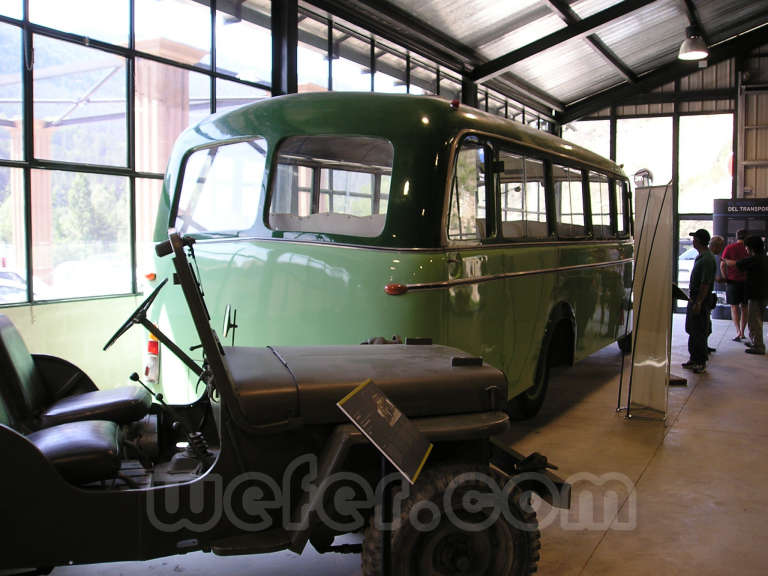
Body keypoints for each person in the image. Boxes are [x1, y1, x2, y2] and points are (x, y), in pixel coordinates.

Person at [724, 235, 768, 355]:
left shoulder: (755, 259)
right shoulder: (763, 258)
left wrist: (725, 261)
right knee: (754, 319)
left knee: (755, 321)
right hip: (762, 294)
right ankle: (755, 342)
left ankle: (758, 346)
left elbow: (736, 264)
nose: (746, 250)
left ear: (752, 248)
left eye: (747, 248)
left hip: (756, 295)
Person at [683, 229, 717, 373]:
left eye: (694, 238)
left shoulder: (707, 259)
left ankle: (700, 361)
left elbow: (705, 284)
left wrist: (698, 302)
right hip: (695, 298)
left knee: (699, 331)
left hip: (700, 299)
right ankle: (693, 358)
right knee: (692, 329)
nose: (692, 241)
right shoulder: (702, 256)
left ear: (699, 241)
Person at [720, 229, 749, 341]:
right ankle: (742, 332)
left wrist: (725, 278)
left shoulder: (729, 248)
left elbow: (723, 265)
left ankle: (737, 331)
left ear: (737, 237)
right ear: (747, 237)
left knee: (734, 307)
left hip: (732, 282)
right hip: (746, 281)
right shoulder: (748, 249)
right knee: (745, 307)